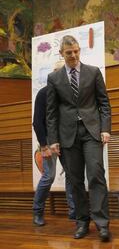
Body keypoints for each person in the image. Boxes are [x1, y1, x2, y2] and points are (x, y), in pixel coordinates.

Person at [47, 35, 112, 242]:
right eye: (69, 53)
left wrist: (105, 128)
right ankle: (82, 222)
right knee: (74, 180)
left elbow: (104, 103)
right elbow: (51, 113)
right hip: (67, 136)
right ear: (62, 54)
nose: (73, 55)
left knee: (95, 175)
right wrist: (53, 139)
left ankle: (102, 224)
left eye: (76, 51)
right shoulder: (54, 78)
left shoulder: (93, 72)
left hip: (92, 132)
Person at [32, 84, 75, 226]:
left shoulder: (69, 92)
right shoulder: (43, 93)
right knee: (49, 176)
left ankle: (73, 210)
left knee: (71, 172)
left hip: (66, 137)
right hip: (49, 139)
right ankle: (38, 211)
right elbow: (37, 121)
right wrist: (44, 146)